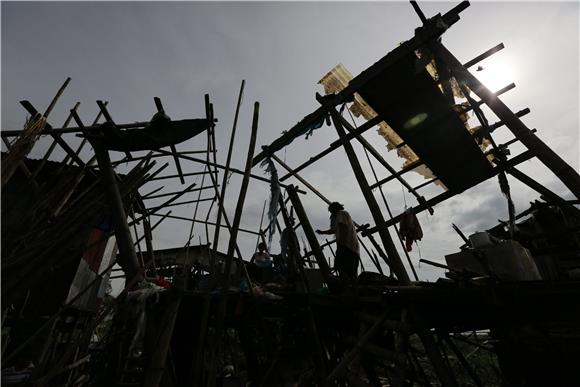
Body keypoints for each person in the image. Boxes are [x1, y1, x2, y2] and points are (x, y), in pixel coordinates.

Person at [316, 202, 360, 283]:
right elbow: (333, 230)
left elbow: (343, 228)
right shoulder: (339, 217)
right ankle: (351, 288)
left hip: (347, 247)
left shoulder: (341, 213)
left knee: (343, 267)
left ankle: (349, 289)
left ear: (335, 209)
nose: (331, 214)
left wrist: (341, 246)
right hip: (351, 248)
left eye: (331, 211)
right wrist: (323, 232)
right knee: (348, 270)